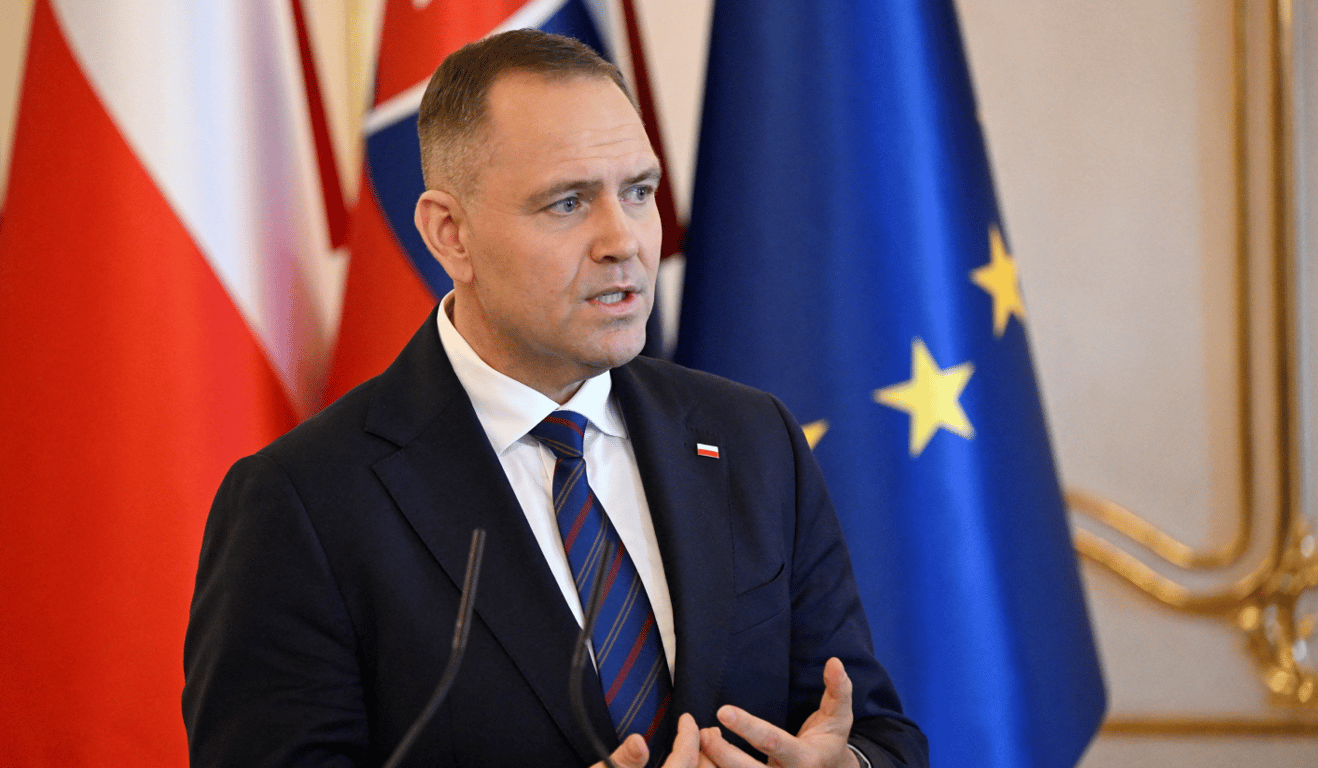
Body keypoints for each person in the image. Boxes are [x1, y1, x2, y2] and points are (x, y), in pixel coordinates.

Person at [183, 29, 928, 768]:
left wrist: (845, 767)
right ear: (451, 235)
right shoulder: (304, 502)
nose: (623, 241)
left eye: (638, 192)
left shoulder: (751, 438)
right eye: (568, 203)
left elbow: (878, 733)